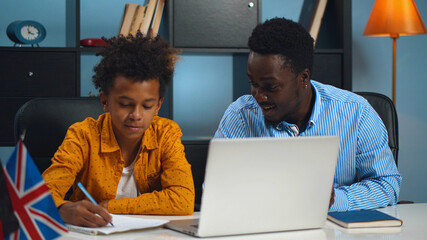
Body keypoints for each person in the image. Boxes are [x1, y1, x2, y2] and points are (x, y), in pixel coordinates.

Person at [214, 17, 402, 212]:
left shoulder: (356, 112)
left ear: (303, 78)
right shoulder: (240, 116)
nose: (259, 96)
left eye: (271, 87)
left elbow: (387, 184)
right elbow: (216, 188)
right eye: (253, 83)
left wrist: (332, 200)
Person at [42, 32, 195, 227]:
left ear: (158, 106)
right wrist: (61, 209)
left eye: (147, 106)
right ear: (105, 101)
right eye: (125, 104)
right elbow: (43, 194)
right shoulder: (83, 135)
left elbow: (182, 199)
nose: (136, 115)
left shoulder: (166, 133)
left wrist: (112, 207)